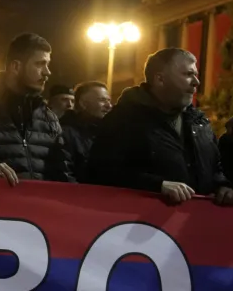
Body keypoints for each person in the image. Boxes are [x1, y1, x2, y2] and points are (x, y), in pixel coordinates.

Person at [88, 48, 233, 205]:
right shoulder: (123, 120)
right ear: (160, 79)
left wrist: (223, 186)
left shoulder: (200, 122)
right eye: (188, 74)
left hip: (193, 224)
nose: (196, 82)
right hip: (143, 223)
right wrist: (157, 185)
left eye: (195, 75)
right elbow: (100, 172)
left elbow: (215, 169)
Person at [0, 33, 73, 184]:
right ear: (16, 66)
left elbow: (64, 173)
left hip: (39, 206)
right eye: (39, 64)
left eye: (47, 65)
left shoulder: (48, 117)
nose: (47, 72)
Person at [59, 81, 111, 182]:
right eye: (102, 100)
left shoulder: (108, 134)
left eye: (109, 100)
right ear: (83, 103)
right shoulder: (66, 134)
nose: (108, 106)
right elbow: (65, 175)